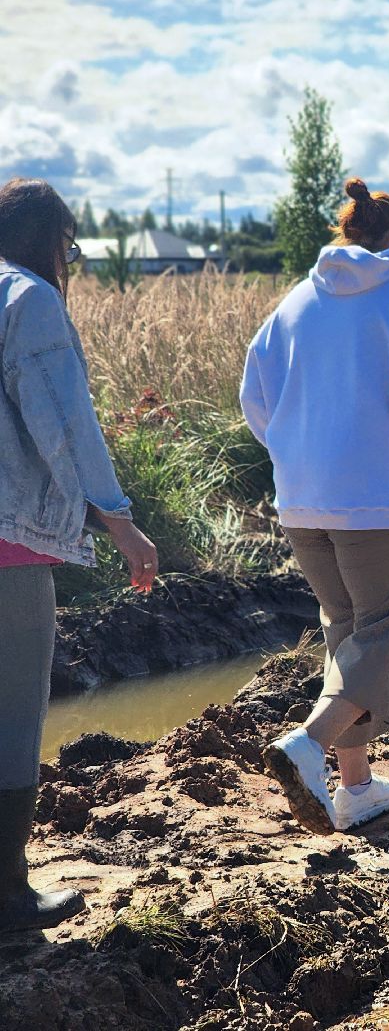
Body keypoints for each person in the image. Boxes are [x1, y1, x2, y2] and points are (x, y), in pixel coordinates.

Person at [242, 177, 389, 835]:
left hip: (302, 501)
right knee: (385, 631)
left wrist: (295, 453)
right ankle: (308, 744)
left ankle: (356, 787)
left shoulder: (296, 300)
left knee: (346, 631)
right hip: (377, 500)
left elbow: (254, 393)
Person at [0, 178, 159, 932]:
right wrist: (119, 521)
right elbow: (64, 425)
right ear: (48, 239)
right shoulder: (27, 300)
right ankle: (7, 896)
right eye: (70, 246)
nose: (69, 261)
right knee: (13, 713)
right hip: (8, 544)